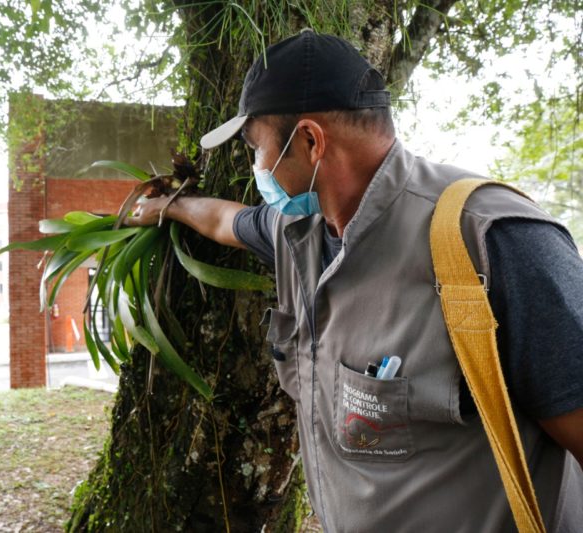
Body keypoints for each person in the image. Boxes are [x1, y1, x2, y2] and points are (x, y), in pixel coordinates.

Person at [126, 30, 583, 532]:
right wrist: (168, 206)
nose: (257, 168)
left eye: (256, 149)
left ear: (310, 141)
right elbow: (224, 220)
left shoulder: (492, 241)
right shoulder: (299, 233)